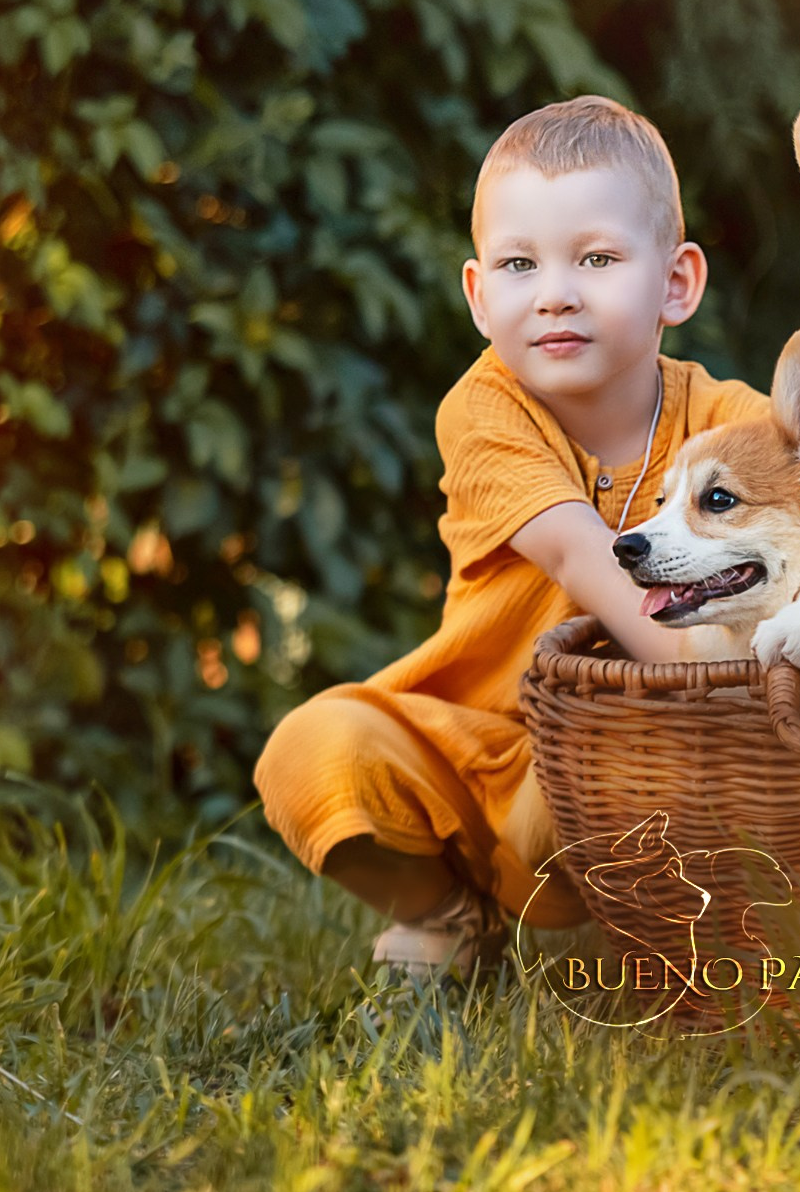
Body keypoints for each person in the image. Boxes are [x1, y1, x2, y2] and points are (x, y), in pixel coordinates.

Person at [255, 97, 769, 979]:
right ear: (479, 295)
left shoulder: (731, 423)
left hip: (619, 764)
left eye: (597, 258)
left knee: (617, 750)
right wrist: (707, 676)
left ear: (676, 283)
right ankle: (446, 915)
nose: (555, 292)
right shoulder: (484, 408)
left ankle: (698, 934)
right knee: (314, 748)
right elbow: (573, 549)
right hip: (473, 747)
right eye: (519, 263)